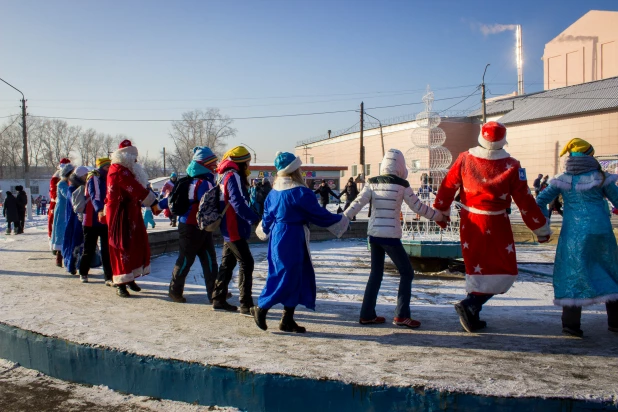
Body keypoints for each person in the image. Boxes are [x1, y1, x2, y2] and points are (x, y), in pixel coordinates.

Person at [433, 122, 551, 333]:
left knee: (476, 267)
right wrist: (540, 228)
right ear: (503, 139)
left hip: (470, 222)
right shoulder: (512, 165)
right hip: (497, 223)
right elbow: (525, 201)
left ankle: (472, 314)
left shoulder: (465, 158)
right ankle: (471, 305)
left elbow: (448, 186)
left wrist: (441, 213)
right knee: (504, 268)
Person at [343, 149, 447, 328]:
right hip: (390, 236)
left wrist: (342, 219)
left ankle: (367, 314)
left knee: (375, 274)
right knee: (407, 272)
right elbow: (418, 208)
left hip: (374, 236)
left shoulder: (372, 182)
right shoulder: (402, 184)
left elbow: (357, 203)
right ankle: (402, 315)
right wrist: (439, 217)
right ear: (400, 165)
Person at [253, 152, 348, 332]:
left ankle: (287, 319)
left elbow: (266, 219)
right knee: (287, 275)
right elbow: (318, 215)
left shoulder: (273, 193)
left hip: (278, 236)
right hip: (293, 236)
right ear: (295, 170)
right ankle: (262, 307)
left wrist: (263, 230)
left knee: (293, 275)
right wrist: (340, 220)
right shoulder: (301, 192)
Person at [536, 138, 618, 337]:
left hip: (574, 236)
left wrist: (543, 225)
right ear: (590, 155)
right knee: (610, 271)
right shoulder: (601, 178)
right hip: (602, 232)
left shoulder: (562, 180)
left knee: (572, 273)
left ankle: (571, 325)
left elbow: (539, 201)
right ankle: (615, 322)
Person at [105, 140, 159, 298]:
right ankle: (120, 282)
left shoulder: (127, 169)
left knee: (134, 244)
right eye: (134, 156)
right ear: (125, 156)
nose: (136, 160)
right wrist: (152, 200)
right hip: (120, 214)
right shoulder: (118, 170)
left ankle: (130, 277)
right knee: (121, 246)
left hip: (131, 212)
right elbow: (133, 187)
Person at [210, 146, 260, 314]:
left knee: (228, 263)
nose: (249, 165)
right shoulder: (233, 176)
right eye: (247, 162)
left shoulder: (224, 175)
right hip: (233, 227)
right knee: (247, 262)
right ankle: (246, 303)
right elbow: (237, 202)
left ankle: (218, 298)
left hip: (229, 227)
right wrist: (254, 219)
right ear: (241, 163)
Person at [168, 146, 219, 303]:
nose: (215, 166)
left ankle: (215, 293)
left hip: (195, 226)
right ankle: (175, 291)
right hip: (192, 227)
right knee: (188, 259)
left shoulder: (194, 181)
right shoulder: (204, 183)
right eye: (212, 163)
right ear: (203, 164)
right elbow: (213, 203)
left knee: (208, 259)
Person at [81, 157, 113, 286]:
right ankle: (83, 272)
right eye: (107, 167)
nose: (109, 169)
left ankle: (108, 277)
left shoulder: (108, 178)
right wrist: (100, 209)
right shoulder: (93, 177)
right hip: (91, 219)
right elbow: (95, 195)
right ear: (101, 167)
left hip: (105, 220)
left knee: (107, 250)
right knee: (89, 248)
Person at [62, 166, 90, 277]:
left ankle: (79, 264)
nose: (86, 177)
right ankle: (71, 265)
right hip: (73, 220)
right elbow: (76, 203)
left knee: (82, 242)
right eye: (84, 175)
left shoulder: (83, 186)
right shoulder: (72, 188)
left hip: (81, 219)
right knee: (73, 242)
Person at [50, 163, 75, 266]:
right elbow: (67, 194)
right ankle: (59, 256)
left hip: (68, 209)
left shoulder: (68, 183)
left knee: (68, 231)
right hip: (62, 211)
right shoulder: (62, 184)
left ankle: (67, 255)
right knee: (61, 231)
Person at [48, 158, 72, 239]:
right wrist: (55, 198)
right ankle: (54, 238)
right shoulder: (57, 178)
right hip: (59, 202)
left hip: (67, 203)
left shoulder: (69, 179)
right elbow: (53, 190)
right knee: (56, 221)